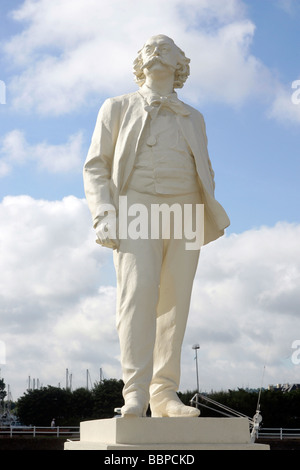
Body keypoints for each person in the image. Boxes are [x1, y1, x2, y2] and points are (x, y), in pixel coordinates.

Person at [83, 34, 230, 418]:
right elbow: (96, 165)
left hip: (186, 209)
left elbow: (205, 167)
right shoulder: (115, 107)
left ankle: (164, 394)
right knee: (137, 297)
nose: (156, 51)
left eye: (166, 48)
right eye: (149, 48)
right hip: (135, 206)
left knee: (176, 303)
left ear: (181, 63)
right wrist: (103, 214)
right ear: (140, 63)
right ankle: (135, 393)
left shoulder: (194, 116)